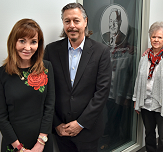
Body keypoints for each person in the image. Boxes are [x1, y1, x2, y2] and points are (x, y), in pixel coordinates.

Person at [43, 3, 112, 152]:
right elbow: (47, 90)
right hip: (61, 130)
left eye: (76, 20)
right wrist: (56, 124)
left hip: (89, 129)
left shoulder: (101, 52)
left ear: (85, 21)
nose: (72, 25)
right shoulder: (51, 50)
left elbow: (102, 92)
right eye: (67, 21)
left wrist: (80, 123)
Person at [0, 19, 55, 152]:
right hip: (14, 144)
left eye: (33, 42)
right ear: (13, 42)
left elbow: (50, 106)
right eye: (22, 41)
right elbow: (1, 117)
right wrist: (19, 148)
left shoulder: (46, 67)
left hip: (42, 142)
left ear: (39, 44)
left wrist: (41, 142)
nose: (28, 47)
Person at [133, 21, 163, 152]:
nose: (156, 40)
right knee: (149, 134)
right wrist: (136, 99)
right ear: (150, 38)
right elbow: (139, 80)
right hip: (146, 103)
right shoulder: (144, 58)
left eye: (159, 37)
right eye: (153, 37)